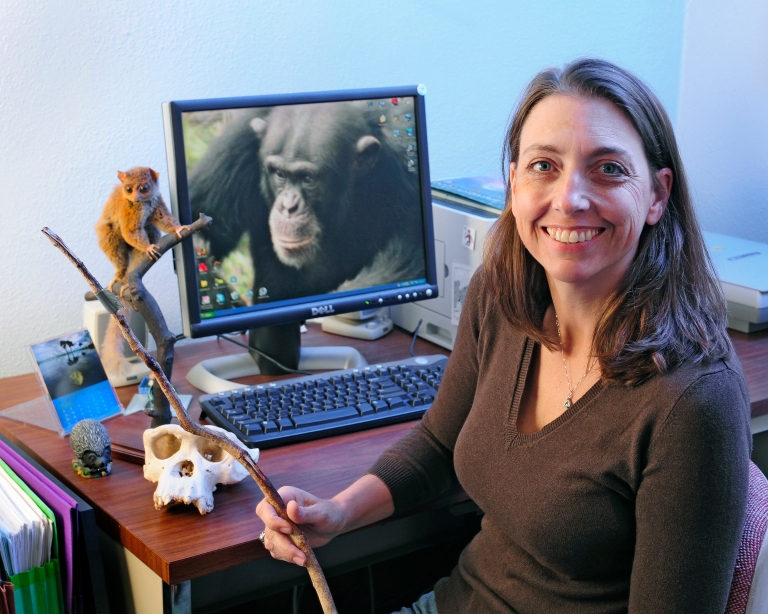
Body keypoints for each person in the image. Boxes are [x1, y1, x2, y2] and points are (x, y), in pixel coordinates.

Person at [256, 58, 753, 613]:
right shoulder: (502, 297)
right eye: (544, 165)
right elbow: (439, 445)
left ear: (658, 195)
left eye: (609, 169)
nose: (569, 199)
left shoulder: (693, 402)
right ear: (514, 183)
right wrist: (339, 512)